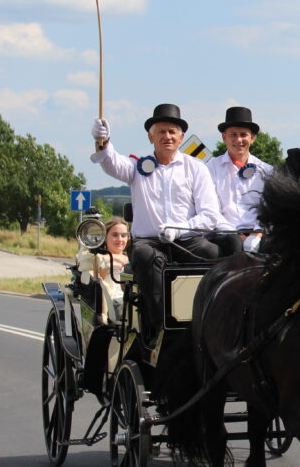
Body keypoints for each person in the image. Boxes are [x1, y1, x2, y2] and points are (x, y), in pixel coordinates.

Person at [90, 103, 221, 342]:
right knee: (147, 256)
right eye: (161, 131)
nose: (167, 136)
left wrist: (180, 230)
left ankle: (209, 322)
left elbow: (210, 215)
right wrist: (104, 141)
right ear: (151, 137)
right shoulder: (138, 168)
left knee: (212, 251)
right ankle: (160, 327)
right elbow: (112, 164)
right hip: (149, 242)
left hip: (186, 240)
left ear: (181, 137)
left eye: (172, 132)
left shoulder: (196, 169)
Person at [206, 106, 273, 253]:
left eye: (243, 135)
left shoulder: (266, 170)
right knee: (233, 244)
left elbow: (269, 208)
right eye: (233, 135)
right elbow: (211, 209)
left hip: (258, 231)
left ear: (252, 138)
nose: (238, 140)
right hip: (226, 233)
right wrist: (238, 236)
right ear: (224, 137)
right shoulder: (210, 168)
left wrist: (257, 233)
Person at [75, 217, 129, 323]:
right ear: (105, 237)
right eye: (115, 235)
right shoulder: (95, 258)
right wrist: (115, 258)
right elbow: (94, 273)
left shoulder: (133, 257)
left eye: (123, 235)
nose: (120, 239)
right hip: (110, 298)